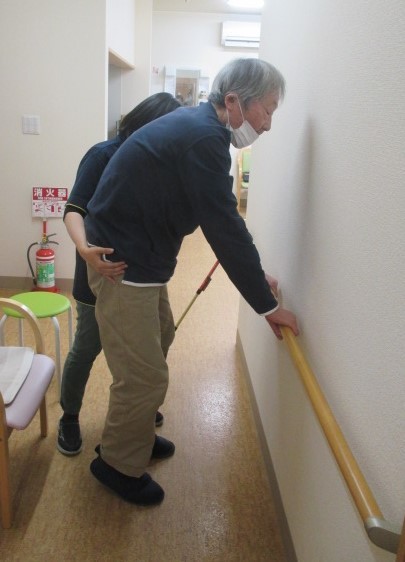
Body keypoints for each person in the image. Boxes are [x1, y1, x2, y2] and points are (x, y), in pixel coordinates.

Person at [84, 58, 300, 506]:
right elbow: (224, 225)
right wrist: (267, 305)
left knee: (160, 337)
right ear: (234, 101)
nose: (268, 124)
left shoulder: (201, 130)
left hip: (141, 259)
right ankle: (116, 464)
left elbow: (217, 215)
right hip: (124, 266)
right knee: (143, 375)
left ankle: (135, 434)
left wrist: (254, 274)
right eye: (267, 110)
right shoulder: (203, 137)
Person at [57, 93, 182, 456]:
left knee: (154, 342)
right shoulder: (103, 155)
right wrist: (85, 250)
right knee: (88, 347)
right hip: (101, 274)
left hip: (143, 277)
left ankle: (135, 417)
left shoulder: (158, 163)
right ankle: (69, 415)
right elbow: (74, 210)